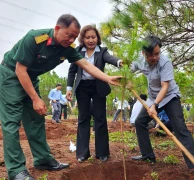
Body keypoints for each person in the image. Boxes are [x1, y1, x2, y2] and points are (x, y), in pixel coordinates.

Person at [0, 14, 121, 180]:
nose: (71, 40)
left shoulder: (67, 48)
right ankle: (15, 171)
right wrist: (36, 98)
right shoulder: (34, 38)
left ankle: (43, 159)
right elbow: (20, 70)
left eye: (74, 37)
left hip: (31, 78)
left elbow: (85, 64)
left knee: (36, 119)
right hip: (11, 75)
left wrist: (107, 78)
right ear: (57, 29)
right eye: (69, 35)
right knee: (12, 122)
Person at [130, 35, 194, 175]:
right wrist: (125, 77)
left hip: (169, 97)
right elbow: (129, 69)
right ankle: (148, 155)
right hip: (153, 98)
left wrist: (154, 105)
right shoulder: (140, 61)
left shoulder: (165, 62)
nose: (155, 57)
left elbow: (165, 87)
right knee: (139, 122)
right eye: (151, 55)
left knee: (180, 128)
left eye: (157, 53)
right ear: (143, 53)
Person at [67, 25, 122, 163]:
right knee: (83, 118)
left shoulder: (102, 51)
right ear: (83, 39)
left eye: (93, 37)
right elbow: (72, 71)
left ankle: (102, 153)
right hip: (82, 88)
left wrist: (119, 62)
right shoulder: (77, 51)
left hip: (98, 87)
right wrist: (69, 88)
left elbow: (110, 58)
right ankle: (82, 154)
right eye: (87, 37)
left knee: (100, 118)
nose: (91, 40)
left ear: (97, 38)